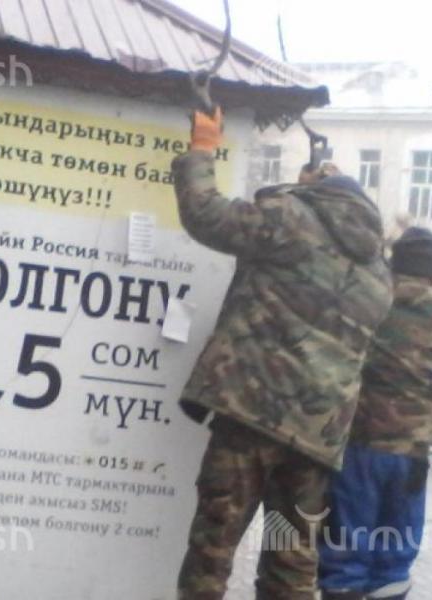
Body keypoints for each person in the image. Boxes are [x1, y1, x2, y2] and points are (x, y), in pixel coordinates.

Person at [172, 107, 393, 600]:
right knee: (290, 564)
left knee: (214, 547)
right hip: (315, 437)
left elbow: (207, 214)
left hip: (252, 413)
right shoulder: (380, 274)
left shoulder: (292, 218)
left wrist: (202, 149)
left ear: (317, 189)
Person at [319, 227, 432, 600]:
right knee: (395, 555)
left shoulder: (368, 299)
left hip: (359, 443)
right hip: (411, 452)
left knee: (345, 550)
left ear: (393, 262)